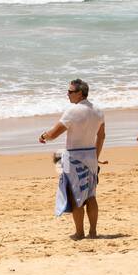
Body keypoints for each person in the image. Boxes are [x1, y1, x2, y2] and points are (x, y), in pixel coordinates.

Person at [39, 78, 105, 240]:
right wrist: (96, 157)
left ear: (80, 93)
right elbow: (101, 136)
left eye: (70, 91)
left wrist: (43, 136)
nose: (67, 94)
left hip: (75, 157)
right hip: (90, 155)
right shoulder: (98, 111)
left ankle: (80, 232)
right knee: (91, 196)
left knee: (76, 196)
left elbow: (53, 134)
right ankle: (93, 232)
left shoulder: (72, 111)